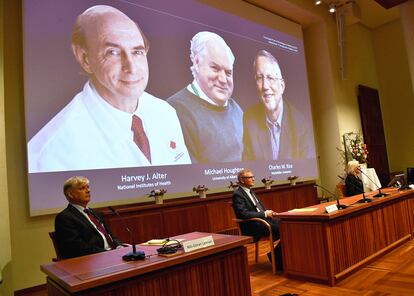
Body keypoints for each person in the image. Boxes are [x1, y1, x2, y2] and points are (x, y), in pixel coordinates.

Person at [28, 5, 191, 173]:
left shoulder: (166, 113)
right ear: (85, 59)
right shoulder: (50, 153)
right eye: (113, 52)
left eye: (137, 51)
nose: (132, 68)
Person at [167, 31, 243, 163]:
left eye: (228, 72)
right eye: (215, 68)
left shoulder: (237, 110)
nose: (223, 79)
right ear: (196, 62)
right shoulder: (174, 110)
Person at [243, 50, 315, 161]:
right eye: (259, 78)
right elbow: (247, 166)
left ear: (282, 86)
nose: (265, 86)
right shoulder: (249, 119)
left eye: (270, 78)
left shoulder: (300, 124)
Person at [55, 176, 122, 259]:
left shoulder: (95, 213)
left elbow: (111, 235)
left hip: (112, 254)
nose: (88, 190)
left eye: (88, 187)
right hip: (92, 260)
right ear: (71, 194)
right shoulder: (65, 218)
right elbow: (77, 248)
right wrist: (108, 254)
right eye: (82, 188)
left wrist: (119, 247)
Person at [232, 169, 283, 271]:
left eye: (253, 177)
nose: (253, 179)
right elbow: (243, 214)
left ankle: (277, 257)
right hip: (253, 225)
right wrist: (264, 214)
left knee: (287, 224)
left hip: (263, 221)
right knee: (284, 228)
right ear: (242, 180)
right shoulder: (238, 194)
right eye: (250, 177)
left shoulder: (251, 191)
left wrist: (268, 212)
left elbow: (258, 208)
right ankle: (277, 259)